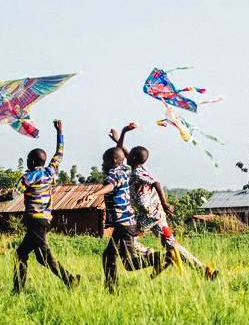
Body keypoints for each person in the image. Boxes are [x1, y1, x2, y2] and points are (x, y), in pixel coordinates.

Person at [110, 123, 218, 279]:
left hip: (149, 214)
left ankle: (157, 257)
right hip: (157, 214)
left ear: (132, 159)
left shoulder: (138, 173)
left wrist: (165, 202)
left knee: (129, 238)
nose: (126, 155)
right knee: (171, 244)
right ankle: (203, 270)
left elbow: (156, 184)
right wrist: (120, 137)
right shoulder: (138, 168)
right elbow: (124, 153)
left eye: (129, 154)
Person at [12, 120, 80, 292]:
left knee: (42, 255)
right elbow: (60, 153)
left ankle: (69, 278)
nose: (27, 162)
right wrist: (60, 132)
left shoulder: (28, 177)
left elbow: (12, 195)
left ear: (33, 161)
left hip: (35, 220)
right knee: (22, 255)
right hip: (44, 220)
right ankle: (17, 289)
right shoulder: (50, 172)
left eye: (28, 160)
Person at [92, 146, 164, 292]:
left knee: (129, 263)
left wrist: (94, 194)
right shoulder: (125, 170)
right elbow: (125, 156)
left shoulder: (113, 172)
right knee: (109, 256)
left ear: (112, 161)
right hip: (126, 223)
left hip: (124, 224)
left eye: (104, 161)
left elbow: (110, 186)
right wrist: (121, 136)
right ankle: (111, 289)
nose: (102, 164)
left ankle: (159, 258)